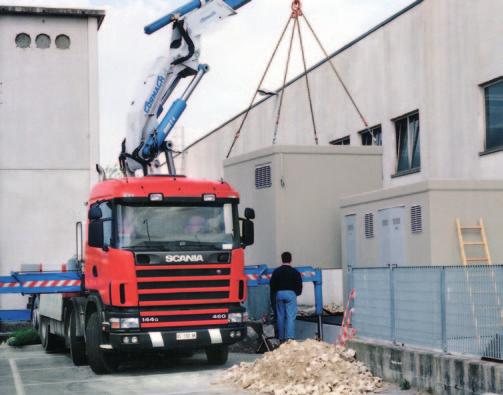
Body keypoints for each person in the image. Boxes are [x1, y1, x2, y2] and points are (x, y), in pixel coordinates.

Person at [269, 251, 302, 341]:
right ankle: (289, 338)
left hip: (279, 294)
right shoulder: (295, 272)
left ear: (282, 259)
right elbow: (299, 285)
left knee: (280, 316)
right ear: (291, 260)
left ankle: (281, 338)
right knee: (290, 316)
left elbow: (272, 284)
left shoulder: (276, 271)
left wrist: (277, 292)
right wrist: (297, 293)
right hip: (291, 294)